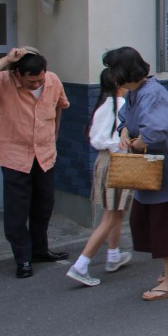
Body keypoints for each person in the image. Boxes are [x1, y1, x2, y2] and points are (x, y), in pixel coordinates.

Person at [105, 47, 168, 301]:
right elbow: (125, 118)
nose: (112, 76)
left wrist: (135, 141)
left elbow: (154, 132)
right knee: (145, 220)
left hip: (166, 172)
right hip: (154, 171)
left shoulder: (152, 93)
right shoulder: (137, 92)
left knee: (163, 224)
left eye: (114, 70)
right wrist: (125, 133)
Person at [0, 47, 70, 279]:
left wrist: (55, 137)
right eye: (31, 81)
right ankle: (23, 259)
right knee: (17, 212)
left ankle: (40, 250)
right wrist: (6, 60)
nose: (37, 84)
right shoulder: (3, 81)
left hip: (45, 155)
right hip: (14, 156)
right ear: (17, 73)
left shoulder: (52, 80)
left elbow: (60, 107)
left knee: (43, 206)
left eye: (40, 79)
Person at [66, 69, 133, 286]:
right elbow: (123, 138)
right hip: (119, 162)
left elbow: (96, 139)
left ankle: (113, 256)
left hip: (105, 161)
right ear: (120, 84)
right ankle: (81, 265)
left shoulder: (103, 106)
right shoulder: (122, 106)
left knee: (116, 212)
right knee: (110, 216)